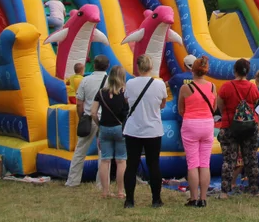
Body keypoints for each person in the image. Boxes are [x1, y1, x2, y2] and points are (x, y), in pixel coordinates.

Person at [123, 55, 168, 208]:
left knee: (132, 164)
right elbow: (162, 104)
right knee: (153, 164)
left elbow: (127, 100)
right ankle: (156, 199)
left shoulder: (130, 83)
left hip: (133, 129)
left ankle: (129, 200)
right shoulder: (159, 84)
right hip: (153, 129)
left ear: (138, 67)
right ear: (151, 67)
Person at [217, 58, 259, 198]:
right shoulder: (252, 87)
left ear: (234, 70)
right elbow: (255, 102)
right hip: (249, 127)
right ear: (248, 71)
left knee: (229, 160)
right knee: (251, 159)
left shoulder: (226, 86)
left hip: (230, 125)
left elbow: (220, 105)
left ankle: (224, 191)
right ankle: (254, 190)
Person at [177, 55, 216, 207]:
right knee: (205, 163)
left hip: (191, 123)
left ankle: (193, 198)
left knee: (192, 163)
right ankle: (203, 198)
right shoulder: (213, 87)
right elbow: (213, 108)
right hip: (207, 124)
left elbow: (181, 109)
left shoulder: (186, 88)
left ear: (192, 70)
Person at [67, 55, 109, 187]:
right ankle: (101, 183)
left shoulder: (85, 80)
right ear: (107, 66)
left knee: (80, 151)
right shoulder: (110, 81)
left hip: (89, 117)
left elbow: (79, 103)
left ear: (94, 66)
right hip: (105, 120)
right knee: (103, 154)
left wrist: (82, 117)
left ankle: (72, 181)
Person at [91, 64, 129, 200]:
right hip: (120, 128)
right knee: (121, 161)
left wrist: (99, 124)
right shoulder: (125, 93)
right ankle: (120, 191)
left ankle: (105, 191)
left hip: (105, 128)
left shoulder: (101, 92)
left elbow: (93, 112)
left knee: (105, 160)